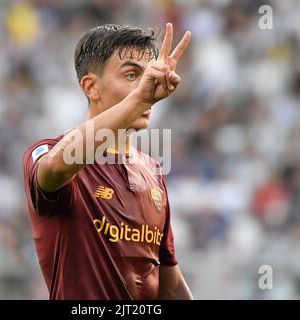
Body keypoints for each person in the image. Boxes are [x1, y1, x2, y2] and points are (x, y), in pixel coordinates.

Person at [22, 22, 193, 300]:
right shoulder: (49, 153)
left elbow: (169, 287)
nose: (147, 86)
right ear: (91, 87)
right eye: (131, 75)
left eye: (148, 75)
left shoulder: (152, 171)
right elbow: (55, 168)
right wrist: (138, 99)